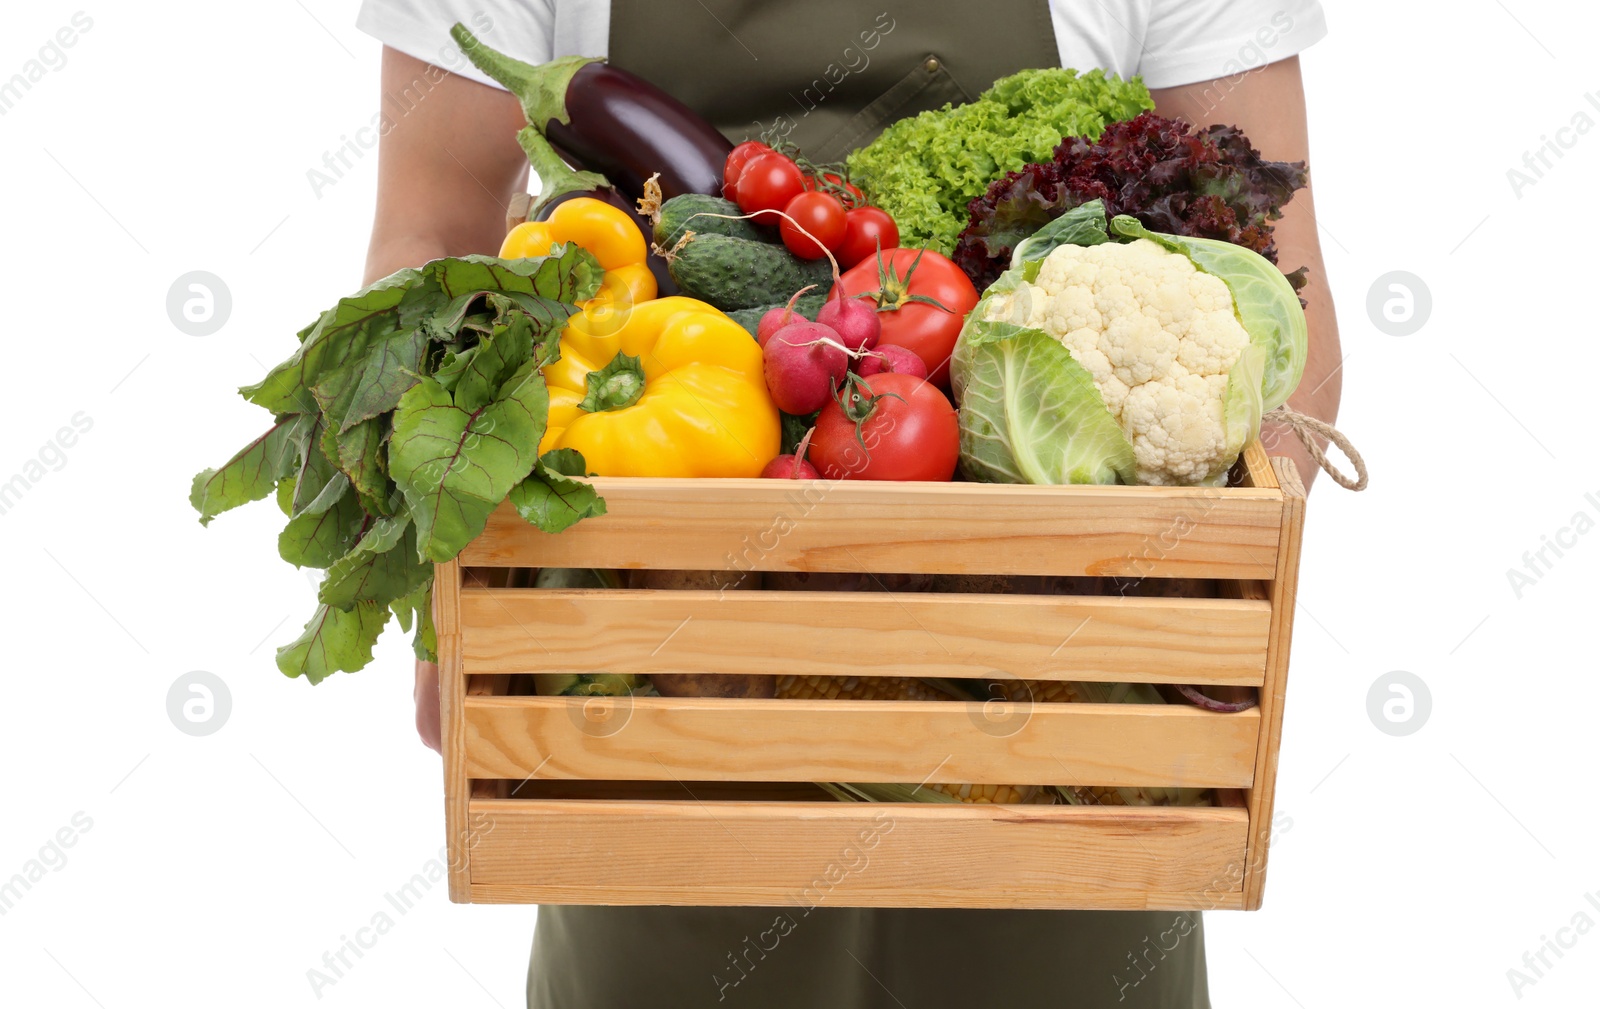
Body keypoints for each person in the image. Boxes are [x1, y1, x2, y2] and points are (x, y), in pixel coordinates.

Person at [355, 2, 1342, 1006]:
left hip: (1063, 746)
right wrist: (447, 575)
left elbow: (1276, 292)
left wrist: (1213, 623)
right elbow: (433, 234)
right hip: (660, 697)